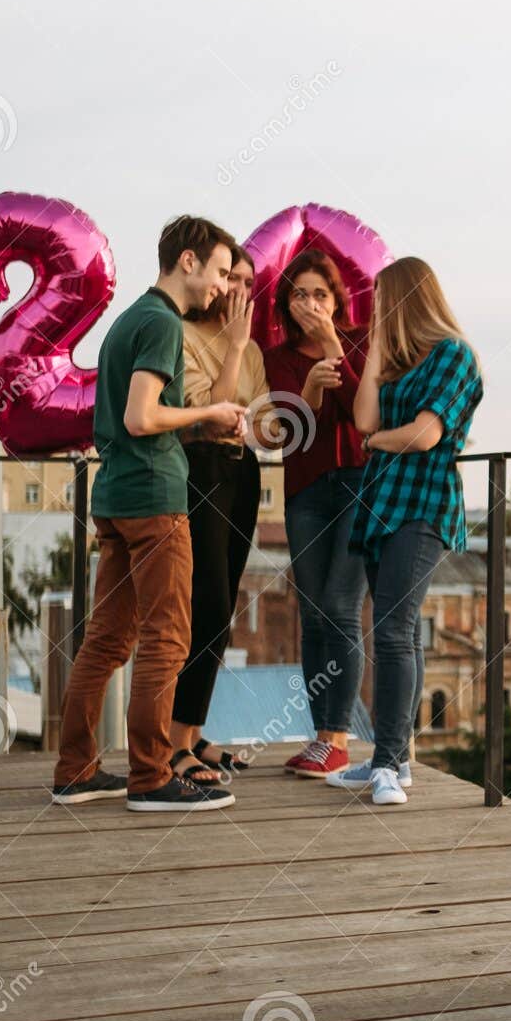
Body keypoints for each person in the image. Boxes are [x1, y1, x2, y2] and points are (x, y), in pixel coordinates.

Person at [49, 216, 248, 812]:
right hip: (155, 501)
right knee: (168, 637)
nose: (220, 287)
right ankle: (151, 778)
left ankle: (75, 770)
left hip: (114, 499)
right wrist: (207, 417)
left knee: (106, 640)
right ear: (187, 262)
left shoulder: (128, 320)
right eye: (217, 272)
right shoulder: (163, 323)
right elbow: (142, 418)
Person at [325, 257, 483, 805]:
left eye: (381, 302)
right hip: (382, 502)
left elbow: (422, 436)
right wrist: (373, 349)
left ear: (407, 299)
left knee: (392, 630)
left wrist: (374, 445)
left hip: (423, 503)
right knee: (401, 632)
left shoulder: (454, 356)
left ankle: (390, 763)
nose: (375, 311)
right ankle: (391, 758)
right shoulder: (395, 360)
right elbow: (364, 418)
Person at [261, 251, 370, 779]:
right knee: (312, 612)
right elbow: (292, 428)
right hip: (305, 490)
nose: (310, 304)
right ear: (286, 302)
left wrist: (333, 348)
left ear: (336, 300)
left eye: (319, 294)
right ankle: (320, 734)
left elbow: (363, 415)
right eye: (299, 294)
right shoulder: (277, 357)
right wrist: (307, 389)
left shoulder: (359, 343)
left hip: (358, 485)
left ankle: (339, 737)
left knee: (340, 605)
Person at [169, 245, 275, 784]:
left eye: (249, 284)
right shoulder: (183, 335)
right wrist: (233, 349)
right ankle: (172, 742)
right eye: (232, 279)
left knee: (224, 605)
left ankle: (191, 731)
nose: (239, 293)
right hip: (200, 468)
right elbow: (211, 417)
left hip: (241, 472)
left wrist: (249, 411)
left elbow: (259, 422)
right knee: (201, 601)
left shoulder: (251, 348)